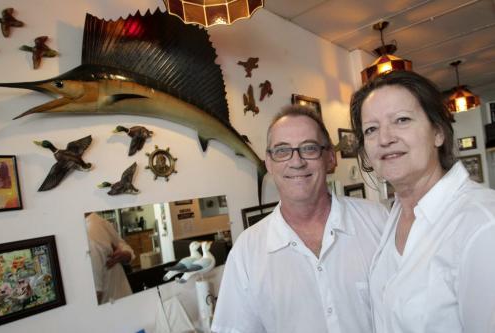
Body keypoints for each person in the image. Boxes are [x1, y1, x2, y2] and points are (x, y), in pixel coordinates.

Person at [212, 105, 388, 333]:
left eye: (309, 148)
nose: (296, 162)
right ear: (269, 163)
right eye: (282, 151)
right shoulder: (246, 252)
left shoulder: (379, 221)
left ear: (330, 159)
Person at [350, 70, 495, 332]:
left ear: (438, 132)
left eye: (402, 120)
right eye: (371, 129)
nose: (385, 139)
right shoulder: (394, 216)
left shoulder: (482, 224)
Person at [85, 212, 135, 305]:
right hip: (123, 300)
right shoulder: (95, 223)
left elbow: (96, 293)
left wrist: (125, 254)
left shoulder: (90, 232)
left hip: (112, 308)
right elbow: (121, 244)